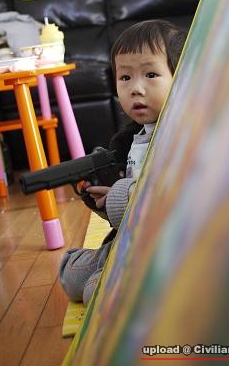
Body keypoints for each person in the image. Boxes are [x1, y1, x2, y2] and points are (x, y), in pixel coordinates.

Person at [59, 19, 187, 305]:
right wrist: (101, 201)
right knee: (72, 278)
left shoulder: (181, 136)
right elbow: (122, 212)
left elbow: (167, 196)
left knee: (97, 293)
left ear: (180, 77)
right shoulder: (127, 140)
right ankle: (100, 266)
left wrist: (121, 195)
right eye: (125, 77)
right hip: (129, 240)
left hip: (169, 246)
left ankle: (115, 280)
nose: (135, 88)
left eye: (151, 74)